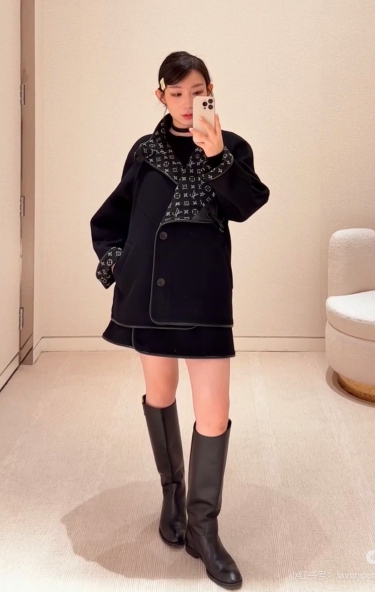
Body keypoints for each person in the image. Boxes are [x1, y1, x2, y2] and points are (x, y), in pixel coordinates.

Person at [90, 51, 270, 590]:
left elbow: (247, 204)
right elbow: (113, 217)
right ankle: (172, 495)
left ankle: (203, 529)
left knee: (214, 412)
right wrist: (119, 262)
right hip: (150, 293)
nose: (188, 103)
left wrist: (216, 157)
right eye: (176, 93)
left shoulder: (231, 147)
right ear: (161, 96)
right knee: (161, 394)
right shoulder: (144, 151)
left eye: (198, 92)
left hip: (205, 295)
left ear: (211, 91)